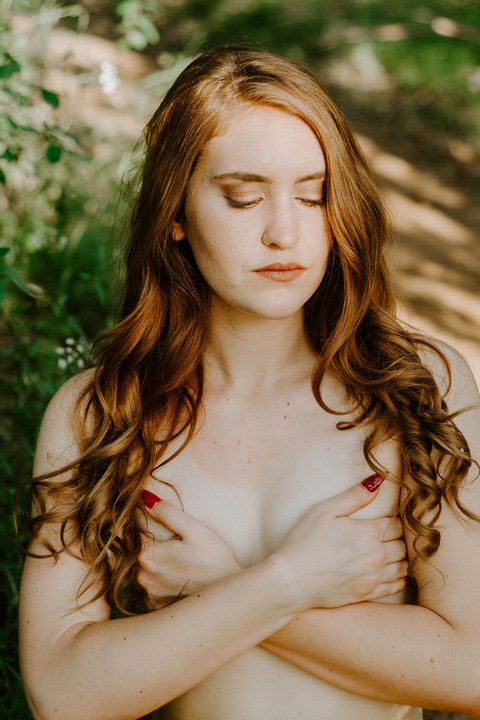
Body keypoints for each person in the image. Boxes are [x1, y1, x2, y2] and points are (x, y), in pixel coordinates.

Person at [18, 45, 480, 720]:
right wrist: (282, 584)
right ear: (176, 213)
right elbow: (60, 693)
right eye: (243, 197)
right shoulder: (100, 412)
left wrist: (218, 584)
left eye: (313, 196)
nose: (284, 232)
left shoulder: (417, 387)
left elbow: (471, 670)